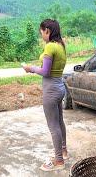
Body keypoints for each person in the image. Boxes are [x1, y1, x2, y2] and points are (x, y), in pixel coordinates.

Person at [23, 19, 68, 171]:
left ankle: (59, 161)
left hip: (51, 90)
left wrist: (30, 68)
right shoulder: (61, 45)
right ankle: (63, 150)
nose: (41, 34)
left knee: (53, 125)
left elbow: (45, 71)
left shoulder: (50, 47)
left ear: (47, 31)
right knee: (59, 121)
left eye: (41, 32)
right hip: (60, 87)